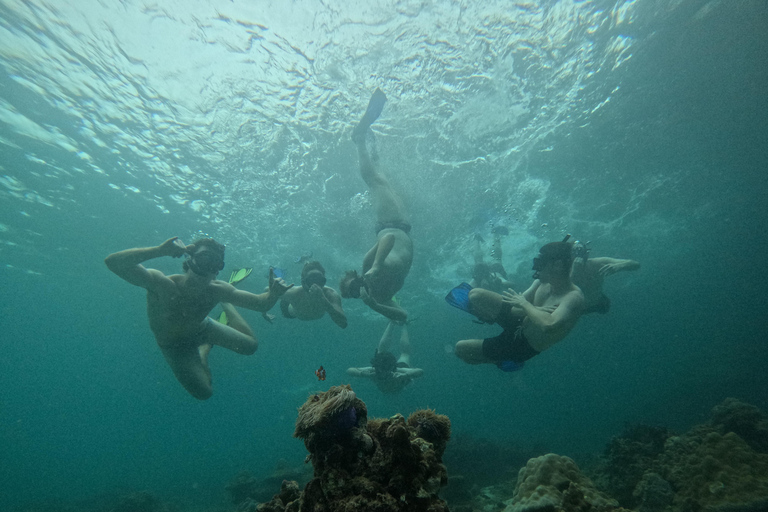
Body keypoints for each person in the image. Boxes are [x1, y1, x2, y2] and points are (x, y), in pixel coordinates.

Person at [104, 236, 292, 400]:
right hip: (174, 346)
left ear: (219, 269)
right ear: (190, 258)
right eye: (204, 259)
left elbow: (261, 304)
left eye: (215, 263)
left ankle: (226, 304)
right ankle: (204, 350)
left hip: (202, 328)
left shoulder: (218, 289)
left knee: (250, 346)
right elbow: (112, 263)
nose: (208, 267)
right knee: (204, 393)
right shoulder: (162, 284)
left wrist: (274, 295)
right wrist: (159, 250)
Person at [340, 88, 413, 323]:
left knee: (374, 181)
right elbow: (402, 317)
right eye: (355, 291)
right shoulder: (379, 296)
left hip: (390, 222)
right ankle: (373, 152)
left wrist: (375, 267)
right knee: (382, 178)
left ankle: (359, 139)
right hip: (403, 224)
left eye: (355, 283)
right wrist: (374, 306)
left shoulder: (368, 265)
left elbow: (387, 240)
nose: (360, 286)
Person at [454, 241, 584, 371]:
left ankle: (501, 361)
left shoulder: (573, 297)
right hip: (519, 321)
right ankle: (487, 317)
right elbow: (515, 310)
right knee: (475, 294)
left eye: (540, 263)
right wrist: (533, 309)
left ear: (558, 265)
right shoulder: (541, 282)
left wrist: (525, 304)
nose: (535, 268)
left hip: (523, 345)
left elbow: (548, 325)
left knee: (461, 349)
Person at [347, 321, 423, 394]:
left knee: (400, 353)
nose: (384, 375)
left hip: (400, 379)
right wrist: (365, 374)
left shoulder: (391, 372)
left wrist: (405, 375)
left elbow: (420, 371)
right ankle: (399, 324)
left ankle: (395, 323)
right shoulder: (376, 371)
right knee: (403, 354)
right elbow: (349, 371)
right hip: (397, 376)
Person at [569, 240, 640, 314]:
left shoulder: (596, 263)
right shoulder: (562, 269)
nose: (577, 255)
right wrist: (574, 272)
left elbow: (635, 264)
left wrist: (619, 266)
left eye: (580, 251)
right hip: (576, 308)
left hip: (598, 302)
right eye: (574, 252)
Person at [279, 260, 347, 328]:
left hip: (308, 313)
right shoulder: (293, 292)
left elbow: (343, 324)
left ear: (324, 281)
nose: (315, 285)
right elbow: (270, 291)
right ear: (303, 282)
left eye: (319, 280)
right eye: (311, 280)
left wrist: (323, 300)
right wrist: (267, 312)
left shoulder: (330, 294)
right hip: (289, 310)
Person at [469, 226, 515, 293]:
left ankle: (476, 237)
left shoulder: (476, 281)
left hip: (490, 275)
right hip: (495, 273)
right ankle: (492, 234)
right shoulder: (477, 281)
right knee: (496, 257)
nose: (485, 285)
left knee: (479, 260)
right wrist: (501, 283)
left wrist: (501, 283)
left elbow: (511, 285)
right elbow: (512, 285)